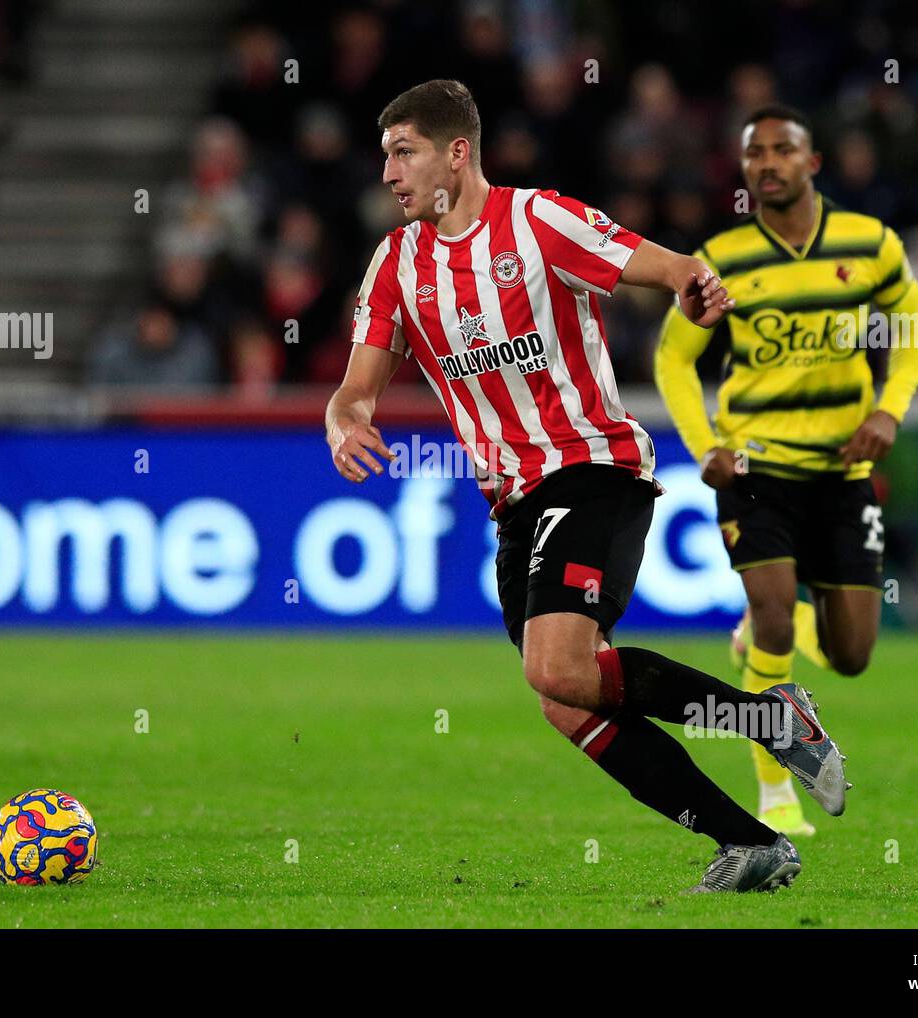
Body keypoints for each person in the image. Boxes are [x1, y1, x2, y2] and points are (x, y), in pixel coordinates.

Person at [325, 80, 848, 893]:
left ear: (455, 153)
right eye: (386, 155)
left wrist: (691, 284)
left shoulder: (537, 222)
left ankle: (772, 721)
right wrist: (345, 417)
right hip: (512, 503)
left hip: (592, 467)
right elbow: (357, 385)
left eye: (404, 152)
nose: (389, 173)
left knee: (560, 670)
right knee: (567, 699)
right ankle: (752, 842)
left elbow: (664, 263)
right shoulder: (396, 263)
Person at [655, 106, 918, 837]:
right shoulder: (720, 258)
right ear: (744, 171)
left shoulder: (868, 244)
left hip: (842, 471)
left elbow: (913, 331)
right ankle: (775, 795)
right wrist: (704, 445)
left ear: (813, 163)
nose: (769, 163)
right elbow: (673, 359)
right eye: (756, 154)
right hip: (757, 468)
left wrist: (889, 414)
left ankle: (759, 637)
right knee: (775, 611)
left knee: (852, 656)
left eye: (784, 150)